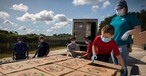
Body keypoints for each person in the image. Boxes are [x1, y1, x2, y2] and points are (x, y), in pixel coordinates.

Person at [110, 0, 141, 75]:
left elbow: (138, 29)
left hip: (123, 45)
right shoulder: (114, 18)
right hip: (112, 44)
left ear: (125, 8)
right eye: (116, 9)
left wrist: (128, 33)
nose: (117, 10)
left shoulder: (131, 17)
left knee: (122, 66)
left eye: (119, 9)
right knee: (115, 65)